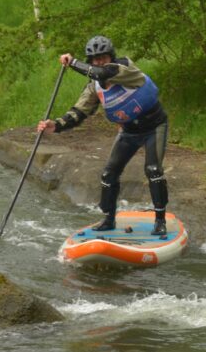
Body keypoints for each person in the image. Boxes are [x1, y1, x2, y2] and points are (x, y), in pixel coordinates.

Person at [37, 35, 171, 236]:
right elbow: (79, 112)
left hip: (154, 127)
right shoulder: (94, 87)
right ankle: (108, 219)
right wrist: (55, 125)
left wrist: (72, 62)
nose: (99, 62)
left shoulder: (123, 67)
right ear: (90, 61)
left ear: (111, 57)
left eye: (103, 57)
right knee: (109, 174)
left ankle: (160, 221)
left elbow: (102, 72)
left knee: (153, 170)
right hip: (129, 132)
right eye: (95, 59)